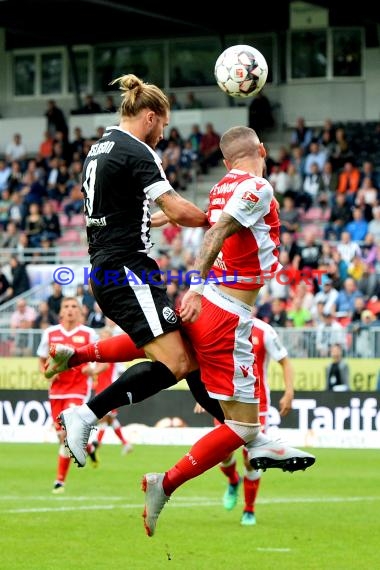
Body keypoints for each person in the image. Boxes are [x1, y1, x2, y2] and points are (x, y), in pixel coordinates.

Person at [141, 125, 315, 536]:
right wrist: (197, 288)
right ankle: (163, 483)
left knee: (179, 367)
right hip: (226, 311)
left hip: (217, 304)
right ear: (262, 150)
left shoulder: (222, 187)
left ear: (224, 162)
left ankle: (262, 445)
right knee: (241, 426)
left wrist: (161, 218)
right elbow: (217, 232)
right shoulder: (259, 187)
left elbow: (208, 221)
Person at [46, 73, 223, 465]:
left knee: (185, 352)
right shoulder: (138, 151)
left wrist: (156, 221)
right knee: (176, 362)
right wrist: (222, 219)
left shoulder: (99, 148)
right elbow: (176, 207)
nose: (162, 134)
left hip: (114, 269)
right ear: (149, 116)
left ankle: (237, 430)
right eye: (163, 125)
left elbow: (126, 213)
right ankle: (85, 414)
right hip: (128, 272)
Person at [210, 317, 294, 526]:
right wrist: (203, 394)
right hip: (225, 401)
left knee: (251, 458)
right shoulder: (220, 324)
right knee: (222, 453)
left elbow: (284, 361)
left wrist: (289, 392)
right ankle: (233, 481)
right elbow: (209, 361)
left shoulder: (264, 331)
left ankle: (249, 509)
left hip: (257, 405)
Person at [36, 297, 98, 493]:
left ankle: (59, 482)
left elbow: (100, 359)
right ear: (61, 311)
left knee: (65, 434)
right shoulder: (50, 333)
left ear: (80, 312)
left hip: (78, 390)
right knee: (62, 437)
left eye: (74, 307)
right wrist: (46, 374)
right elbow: (42, 360)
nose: (70, 310)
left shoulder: (89, 334)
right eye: (66, 307)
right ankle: (88, 447)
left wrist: (92, 370)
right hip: (56, 393)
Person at [83, 327, 133, 466]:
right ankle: (125, 443)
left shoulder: (112, 352)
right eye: (101, 336)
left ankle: (96, 443)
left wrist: (92, 372)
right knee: (110, 419)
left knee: (103, 419)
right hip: (102, 389)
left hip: (109, 390)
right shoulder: (100, 353)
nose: (101, 338)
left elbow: (112, 369)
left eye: (105, 336)